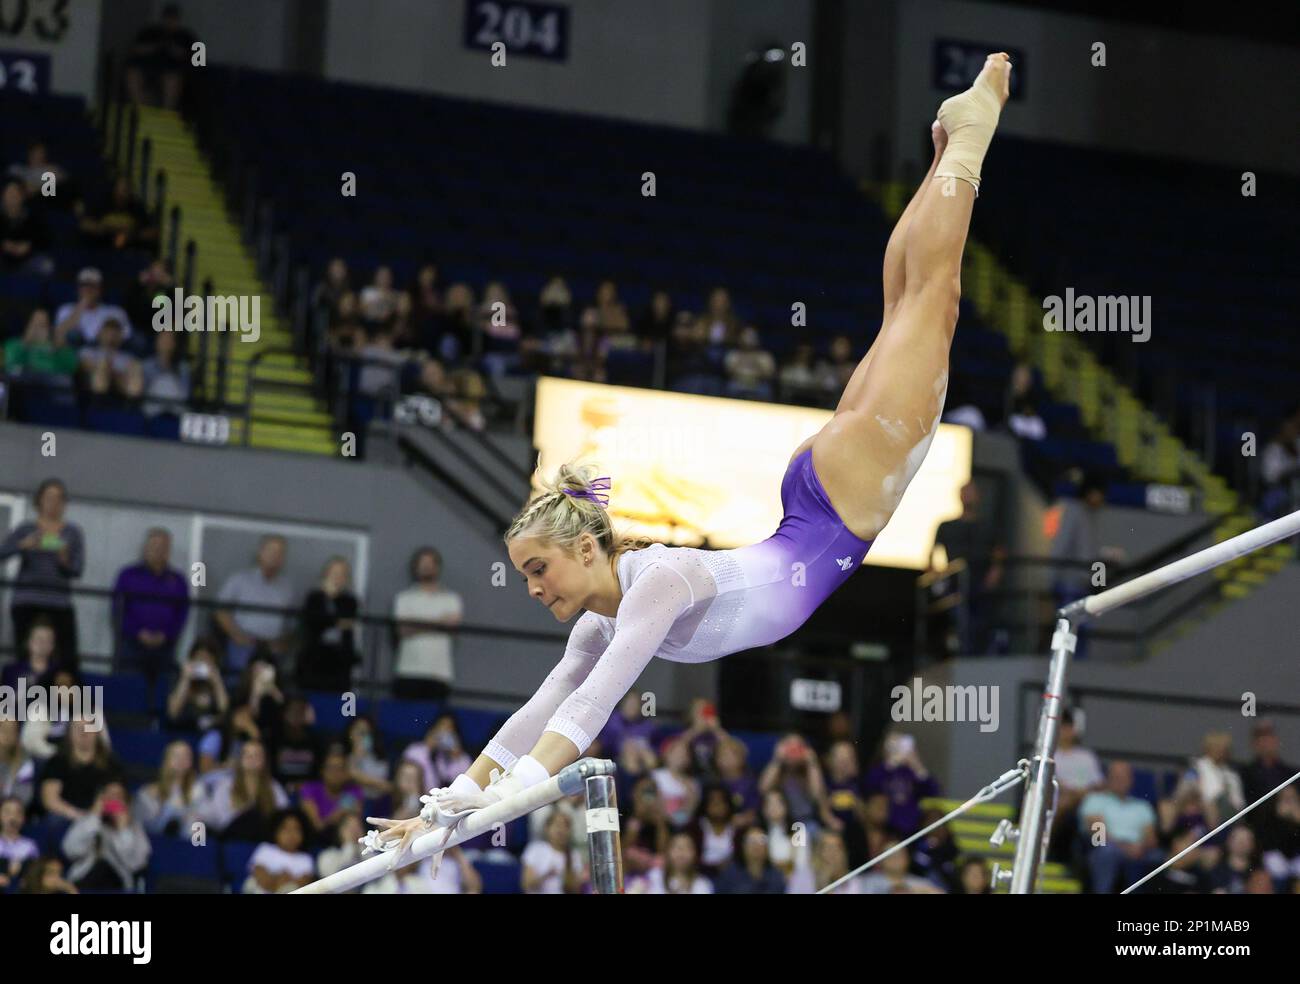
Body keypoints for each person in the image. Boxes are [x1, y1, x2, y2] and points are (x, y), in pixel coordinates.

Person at [368, 54, 1016, 861]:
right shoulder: (609, 615)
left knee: (927, 300)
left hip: (840, 503)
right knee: (912, 303)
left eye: (539, 569)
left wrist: (495, 805)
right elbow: (543, 706)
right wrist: (449, 806)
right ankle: (954, 143)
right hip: (821, 501)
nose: (532, 587)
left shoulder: (658, 586)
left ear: (583, 548)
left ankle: (968, 139)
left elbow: (593, 706)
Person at [0, 478, 85, 663]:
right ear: (39, 501)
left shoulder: (73, 532)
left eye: (58, 499)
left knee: (67, 657)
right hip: (27, 599)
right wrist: (23, 544)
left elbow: (77, 570)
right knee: (25, 654)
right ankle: (24, 689)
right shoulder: (26, 528)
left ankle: (62, 691)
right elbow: (3, 553)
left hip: (59, 601)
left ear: (64, 504)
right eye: (49, 498)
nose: (53, 504)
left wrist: (64, 560)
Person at [932, 480, 1006, 655]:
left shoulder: (988, 526)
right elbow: (932, 555)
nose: (968, 496)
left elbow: (999, 553)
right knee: (958, 623)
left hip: (980, 584)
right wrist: (939, 576)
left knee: (981, 623)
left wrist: (995, 573)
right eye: (965, 492)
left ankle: (978, 654)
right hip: (955, 584)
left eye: (971, 492)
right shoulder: (947, 526)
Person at [112, 527, 190, 690]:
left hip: (165, 648)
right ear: (145, 548)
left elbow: (181, 613)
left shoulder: (178, 580)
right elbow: (118, 611)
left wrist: (165, 634)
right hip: (131, 645)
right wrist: (137, 632)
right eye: (154, 546)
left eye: (163, 547)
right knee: (129, 691)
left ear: (168, 551)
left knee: (163, 694)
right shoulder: (127, 575)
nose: (158, 551)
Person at [1078, 760, 1164, 893]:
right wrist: (1125, 848)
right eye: (1116, 777)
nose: (1121, 781)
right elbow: (1098, 836)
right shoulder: (1094, 800)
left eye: (1124, 777)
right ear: (1108, 779)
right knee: (1106, 852)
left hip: (1139, 850)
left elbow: (1151, 838)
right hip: (1107, 847)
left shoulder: (1143, 807)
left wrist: (1139, 848)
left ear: (1131, 780)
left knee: (1157, 856)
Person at [214, 535, 295, 672]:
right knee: (238, 685)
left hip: (271, 650)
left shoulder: (287, 588)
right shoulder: (239, 580)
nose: (275, 556)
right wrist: (237, 636)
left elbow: (292, 623)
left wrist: (282, 643)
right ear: (260, 552)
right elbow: (220, 611)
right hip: (243, 647)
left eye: (280, 553)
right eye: (271, 551)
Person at [392, 546, 463, 700]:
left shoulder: (451, 599)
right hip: (408, 670)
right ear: (416, 567)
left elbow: (452, 627)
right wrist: (439, 622)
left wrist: (417, 623)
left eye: (430, 564)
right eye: (423, 564)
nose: (427, 568)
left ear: (437, 567)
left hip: (439, 673)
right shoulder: (404, 598)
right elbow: (403, 630)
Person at [61, 780, 151, 891]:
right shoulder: (87, 821)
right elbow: (70, 850)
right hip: (84, 879)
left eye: (117, 796)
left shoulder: (135, 828)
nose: (112, 800)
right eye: (108, 795)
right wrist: (94, 817)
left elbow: (136, 864)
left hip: (118, 883)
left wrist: (123, 830)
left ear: (126, 803)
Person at [297, 556, 359, 692]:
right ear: (325, 575)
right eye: (334, 573)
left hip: (340, 660)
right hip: (314, 659)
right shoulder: (314, 598)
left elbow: (348, 622)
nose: (338, 578)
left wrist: (333, 601)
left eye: (342, 574)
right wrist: (334, 618)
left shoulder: (349, 600)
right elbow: (313, 623)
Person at [133, 740, 203, 837]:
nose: (181, 760)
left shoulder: (198, 790)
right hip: (155, 843)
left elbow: (199, 834)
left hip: (189, 845)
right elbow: (141, 828)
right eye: (176, 756)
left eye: (186, 756)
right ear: (166, 760)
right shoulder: (147, 793)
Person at [54, 267, 132, 345]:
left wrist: (106, 336)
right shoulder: (66, 309)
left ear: (100, 289)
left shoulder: (115, 311)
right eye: (84, 285)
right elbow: (59, 334)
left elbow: (127, 335)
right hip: (75, 353)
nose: (88, 289)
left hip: (104, 352)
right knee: (73, 336)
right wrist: (81, 306)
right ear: (78, 288)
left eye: (93, 286)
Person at [242, 810, 315, 894]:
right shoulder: (265, 849)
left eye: (296, 829)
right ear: (276, 831)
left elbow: (304, 884)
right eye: (285, 829)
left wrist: (286, 884)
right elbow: (260, 874)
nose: (291, 834)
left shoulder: (305, 858)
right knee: (252, 883)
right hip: (264, 889)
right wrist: (278, 880)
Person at [646, 831, 714, 893]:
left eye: (687, 847)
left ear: (695, 854)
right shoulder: (653, 877)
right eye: (676, 846)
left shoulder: (702, 884)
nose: (681, 851)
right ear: (667, 852)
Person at [0, 796, 40, 890]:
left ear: (24, 818)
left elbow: (35, 873)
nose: (13, 817)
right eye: (7, 812)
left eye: (18, 813)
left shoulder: (30, 845)